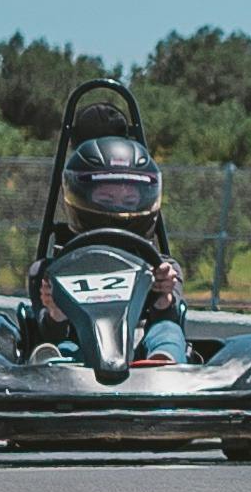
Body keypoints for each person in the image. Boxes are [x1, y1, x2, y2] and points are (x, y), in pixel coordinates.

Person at [30, 133, 193, 365]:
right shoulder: (48, 271)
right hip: (82, 360)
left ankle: (163, 366)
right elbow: (47, 334)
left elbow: (169, 318)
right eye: (106, 199)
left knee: (168, 331)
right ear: (81, 196)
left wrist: (164, 298)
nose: (118, 209)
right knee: (64, 347)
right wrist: (57, 312)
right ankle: (57, 369)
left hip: (140, 357)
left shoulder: (163, 268)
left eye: (128, 202)